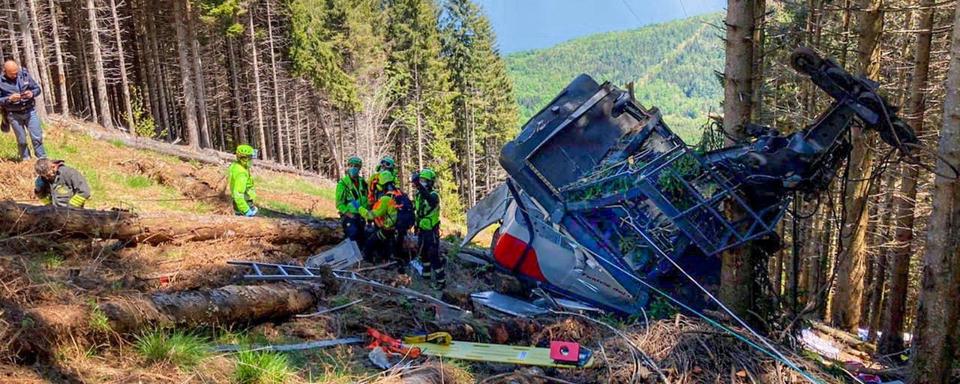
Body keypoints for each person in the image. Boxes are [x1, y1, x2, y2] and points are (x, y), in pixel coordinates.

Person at [0, 59, 45, 161]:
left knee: (37, 137)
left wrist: (31, 93)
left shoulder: (24, 75)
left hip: (30, 111)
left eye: (16, 73)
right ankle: (26, 160)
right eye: (12, 74)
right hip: (13, 114)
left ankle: (42, 159)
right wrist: (9, 99)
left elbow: (37, 89)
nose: (15, 76)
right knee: (21, 141)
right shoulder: (0, 82)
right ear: (5, 71)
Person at [360, 170, 402, 267]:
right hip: (396, 228)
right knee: (388, 245)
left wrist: (360, 209)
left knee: (370, 243)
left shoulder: (385, 199)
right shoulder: (398, 194)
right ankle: (388, 261)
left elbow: (371, 215)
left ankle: (368, 263)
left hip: (387, 229)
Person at [413, 168, 443, 289]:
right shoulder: (418, 195)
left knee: (433, 255)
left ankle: (441, 281)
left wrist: (418, 185)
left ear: (430, 182)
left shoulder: (434, 195)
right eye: (421, 180)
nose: (422, 182)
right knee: (423, 255)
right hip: (422, 229)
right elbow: (418, 211)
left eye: (424, 181)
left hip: (431, 231)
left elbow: (430, 201)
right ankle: (426, 277)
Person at [335, 156, 368, 244]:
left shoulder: (363, 182)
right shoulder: (343, 184)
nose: (353, 168)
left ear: (359, 168)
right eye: (351, 165)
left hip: (361, 216)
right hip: (350, 217)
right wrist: (349, 214)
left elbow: (366, 198)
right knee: (353, 236)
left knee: (362, 239)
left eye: (356, 166)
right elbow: (339, 204)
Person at [229, 144, 258, 216]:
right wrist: (246, 210)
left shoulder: (237, 166)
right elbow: (238, 194)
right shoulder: (241, 174)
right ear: (244, 159)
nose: (252, 160)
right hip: (244, 203)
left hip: (244, 202)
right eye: (250, 158)